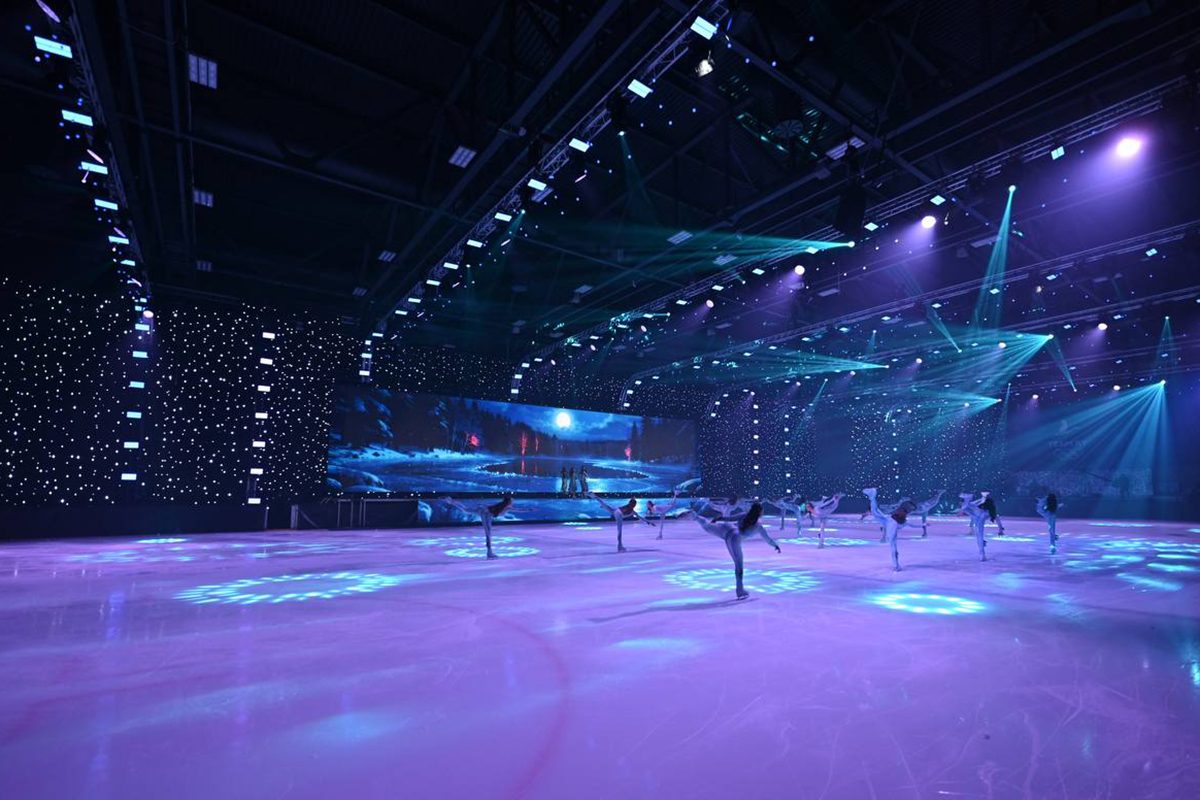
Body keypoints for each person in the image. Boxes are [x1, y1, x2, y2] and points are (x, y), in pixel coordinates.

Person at [679, 503, 781, 599]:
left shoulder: (744, 515)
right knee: (739, 565)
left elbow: (729, 518)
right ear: (760, 513)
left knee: (707, 525)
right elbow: (767, 539)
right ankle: (740, 590)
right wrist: (775, 545)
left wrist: (719, 518)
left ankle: (695, 515)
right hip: (735, 538)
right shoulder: (758, 526)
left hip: (727, 529)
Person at [441, 495, 514, 560]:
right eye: (511, 501)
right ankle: (489, 553)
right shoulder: (503, 507)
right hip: (486, 513)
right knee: (488, 533)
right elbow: (489, 508)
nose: (512, 502)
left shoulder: (502, 506)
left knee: (466, 509)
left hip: (483, 511)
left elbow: (517, 510)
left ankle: (451, 501)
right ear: (508, 502)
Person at [587, 493, 656, 552]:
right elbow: (641, 518)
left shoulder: (626, 507)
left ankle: (593, 495)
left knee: (603, 503)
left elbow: (618, 508)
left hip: (615, 510)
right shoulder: (632, 511)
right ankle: (620, 546)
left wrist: (649, 522)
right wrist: (649, 522)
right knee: (619, 531)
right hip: (619, 514)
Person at [958, 493, 989, 561]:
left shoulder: (967, 507)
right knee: (979, 536)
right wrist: (983, 498)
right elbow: (976, 503)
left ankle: (982, 554)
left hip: (980, 517)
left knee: (979, 536)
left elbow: (975, 504)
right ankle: (982, 554)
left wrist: (983, 498)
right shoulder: (969, 506)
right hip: (980, 517)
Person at [883, 505, 911, 571]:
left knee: (894, 551)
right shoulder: (892, 520)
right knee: (894, 551)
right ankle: (896, 565)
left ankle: (896, 565)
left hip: (892, 537)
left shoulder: (903, 521)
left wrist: (923, 524)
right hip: (891, 537)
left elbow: (913, 525)